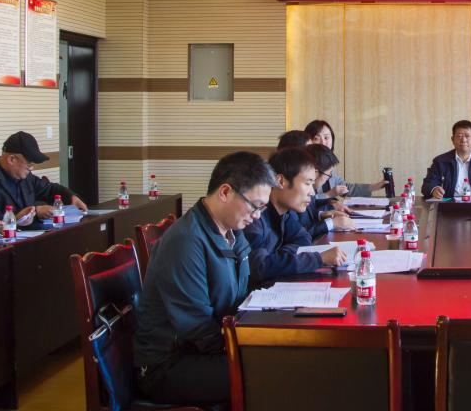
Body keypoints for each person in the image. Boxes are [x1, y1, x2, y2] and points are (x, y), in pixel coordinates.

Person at [134, 151, 275, 407]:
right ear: (225, 192)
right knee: (274, 370)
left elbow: (240, 294)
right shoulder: (185, 241)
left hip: (210, 345)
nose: (257, 216)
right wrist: (247, 346)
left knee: (284, 357)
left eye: (262, 208)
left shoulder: (232, 231)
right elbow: (196, 327)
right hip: (171, 363)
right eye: (255, 206)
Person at [245, 148, 347, 287]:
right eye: (307, 183)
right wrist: (318, 259)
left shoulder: (284, 213)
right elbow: (260, 267)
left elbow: (303, 237)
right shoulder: (255, 217)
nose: (312, 192)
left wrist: (281, 257)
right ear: (280, 181)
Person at [0, 131, 87, 229]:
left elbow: (49, 188)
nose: (31, 169)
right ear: (12, 159)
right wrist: (34, 213)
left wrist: (71, 197)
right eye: (29, 165)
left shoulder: (24, 176)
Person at [304, 119, 388, 198]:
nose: (323, 142)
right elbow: (305, 199)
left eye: (326, 138)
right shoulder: (304, 165)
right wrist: (329, 195)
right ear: (308, 141)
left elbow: (344, 187)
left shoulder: (328, 161)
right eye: (316, 139)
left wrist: (375, 186)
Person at [421, 120, 471, 199]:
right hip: (448, 205)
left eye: (467, 136)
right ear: (452, 139)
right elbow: (427, 186)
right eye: (459, 136)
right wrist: (434, 189)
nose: (463, 140)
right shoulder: (440, 161)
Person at [295, 144, 354, 238]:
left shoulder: (309, 190)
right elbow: (299, 234)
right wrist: (331, 223)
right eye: (328, 175)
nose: (328, 178)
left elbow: (310, 212)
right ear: (315, 171)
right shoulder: (296, 196)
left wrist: (322, 214)